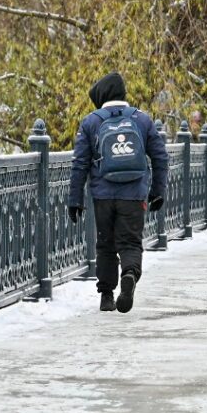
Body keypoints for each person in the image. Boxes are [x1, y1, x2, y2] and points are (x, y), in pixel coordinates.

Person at [67, 72, 168, 313]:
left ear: (101, 97)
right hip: (133, 194)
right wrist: (157, 191)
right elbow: (160, 157)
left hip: (102, 195)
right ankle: (130, 274)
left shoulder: (91, 122)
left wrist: (75, 200)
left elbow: (80, 164)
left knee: (105, 244)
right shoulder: (142, 120)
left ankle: (106, 295)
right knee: (131, 242)